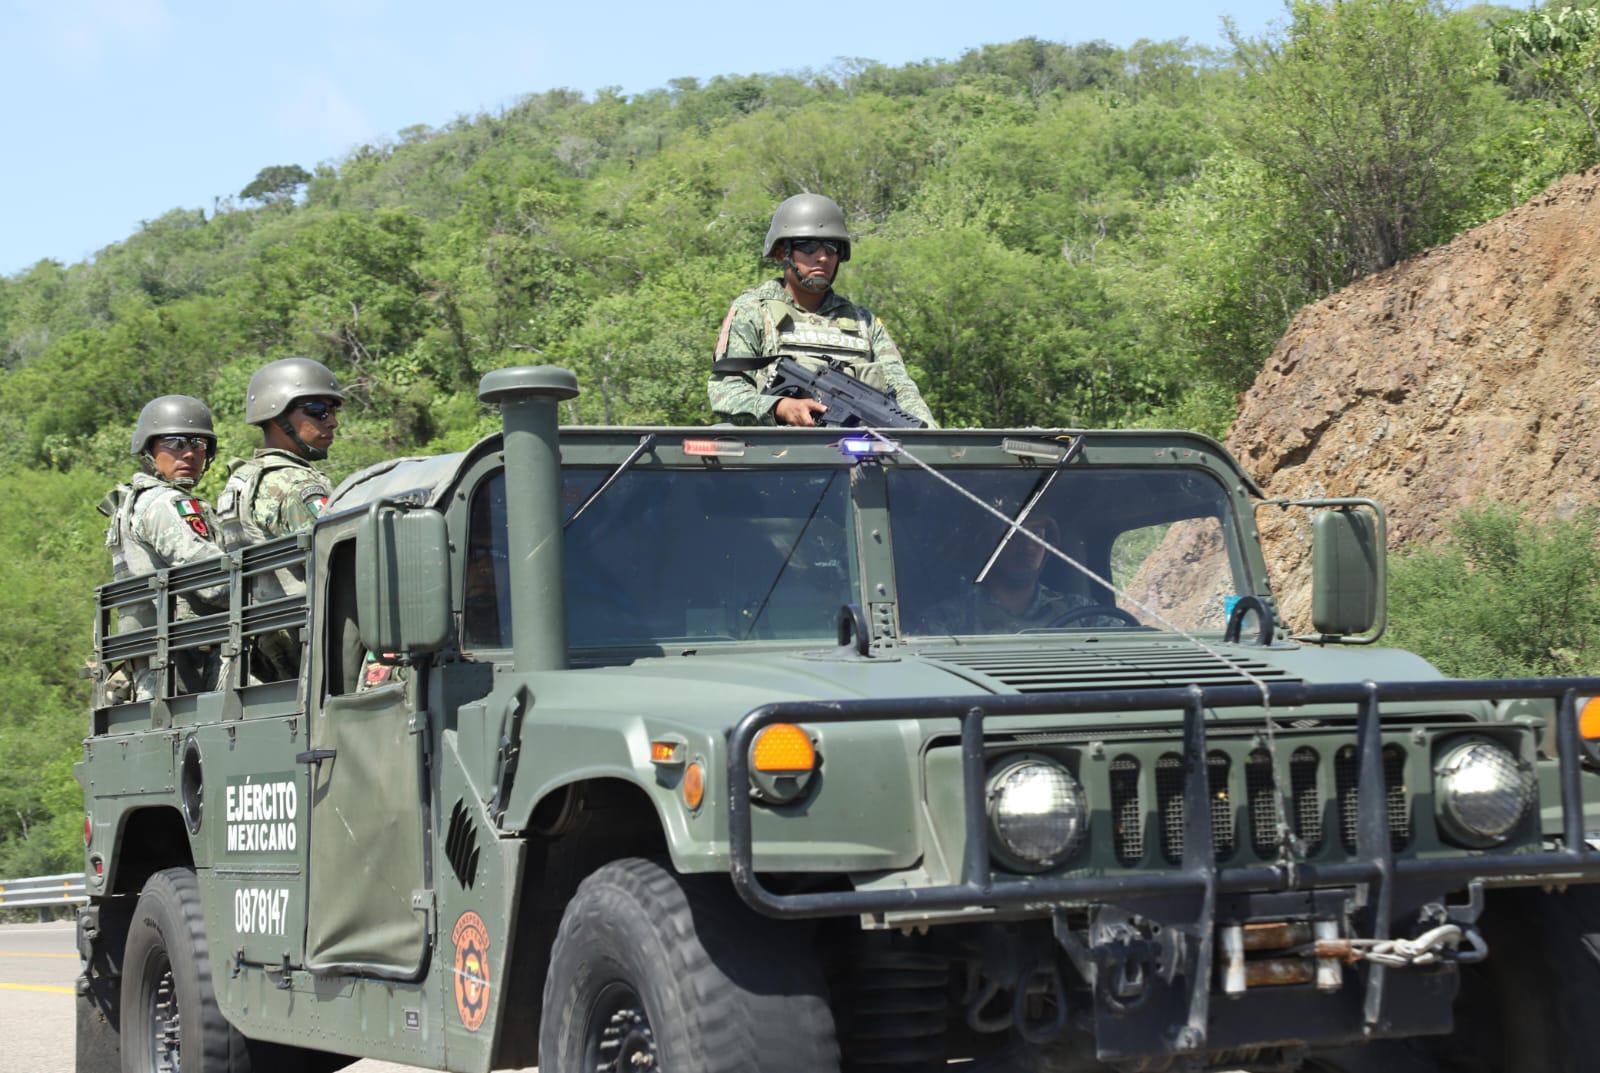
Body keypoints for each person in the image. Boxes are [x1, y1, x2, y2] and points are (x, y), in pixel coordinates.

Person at [708, 192, 936, 427]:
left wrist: (931, 439)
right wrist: (780, 408)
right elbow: (726, 392)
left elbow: (903, 390)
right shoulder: (753, 311)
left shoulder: (863, 322)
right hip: (777, 454)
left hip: (862, 456)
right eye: (808, 247)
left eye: (831, 247)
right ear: (781, 253)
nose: (822, 257)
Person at [216, 356, 344, 680]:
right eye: (318, 411)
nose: (332, 422)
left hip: (263, 653)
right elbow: (343, 569)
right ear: (278, 416)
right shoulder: (298, 484)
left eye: (333, 411)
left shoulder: (241, 482)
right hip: (309, 649)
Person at [98, 396, 228, 701]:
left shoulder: (132, 502)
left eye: (198, 443)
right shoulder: (165, 503)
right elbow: (215, 584)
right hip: (182, 661)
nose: (189, 452)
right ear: (148, 450)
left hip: (162, 658)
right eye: (174, 442)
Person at [919, 514, 1126, 634]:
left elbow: (1127, 649)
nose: (1028, 546)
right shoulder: (949, 618)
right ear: (989, 546)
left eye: (1036, 534)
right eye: (1013, 536)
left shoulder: (1080, 611)